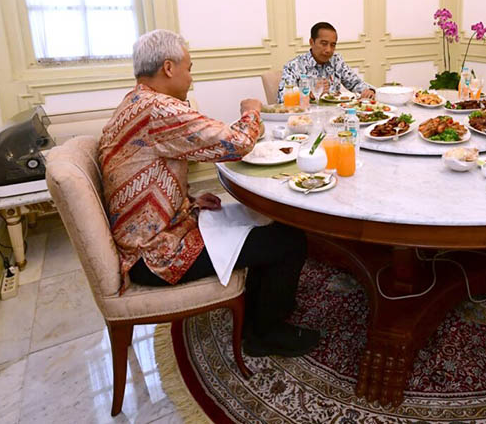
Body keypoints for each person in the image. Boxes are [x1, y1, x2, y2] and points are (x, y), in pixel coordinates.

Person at [99, 29, 319, 358]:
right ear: (169, 68)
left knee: (260, 223)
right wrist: (252, 110)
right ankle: (265, 335)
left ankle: (262, 311)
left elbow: (145, 176)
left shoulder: (135, 102)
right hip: (156, 254)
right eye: (189, 68)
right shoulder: (159, 109)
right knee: (289, 239)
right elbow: (237, 143)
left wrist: (186, 203)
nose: (191, 78)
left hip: (148, 234)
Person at [278, 21, 376, 102]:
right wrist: (310, 94)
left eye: (333, 45)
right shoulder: (294, 66)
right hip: (306, 119)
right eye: (324, 44)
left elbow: (355, 83)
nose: (328, 49)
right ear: (311, 42)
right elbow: (282, 98)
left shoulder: (336, 61)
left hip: (336, 118)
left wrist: (369, 90)